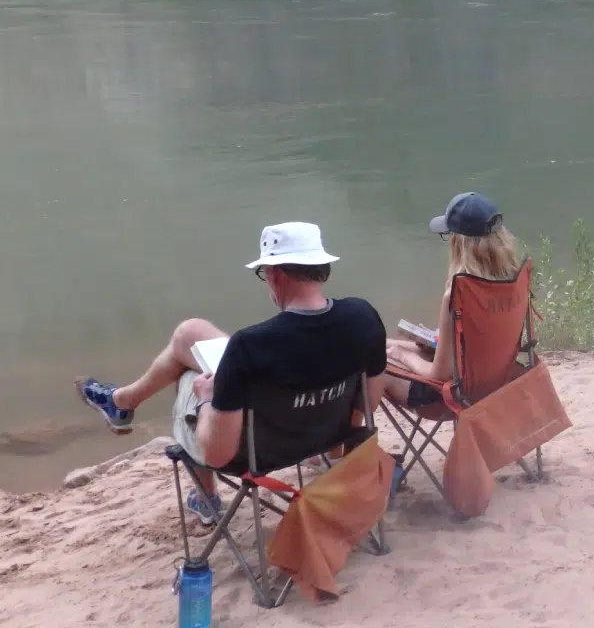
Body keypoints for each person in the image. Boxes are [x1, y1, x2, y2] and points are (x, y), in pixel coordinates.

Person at [75, 222, 387, 525]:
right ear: (322, 267)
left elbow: (218, 454)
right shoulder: (363, 318)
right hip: (324, 437)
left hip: (254, 456)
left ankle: (207, 499)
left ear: (275, 274)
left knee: (188, 377)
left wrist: (209, 397)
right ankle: (122, 401)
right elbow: (369, 404)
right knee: (190, 333)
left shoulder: (251, 346)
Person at [378, 192, 520, 409]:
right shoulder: (513, 280)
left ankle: (354, 436)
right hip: (496, 381)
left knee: (375, 363)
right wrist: (440, 337)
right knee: (379, 345)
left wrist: (403, 356)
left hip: (454, 396)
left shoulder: (457, 294)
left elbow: (440, 374)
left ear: (459, 242)